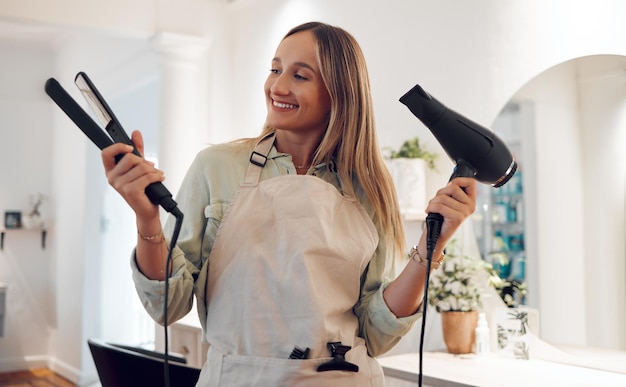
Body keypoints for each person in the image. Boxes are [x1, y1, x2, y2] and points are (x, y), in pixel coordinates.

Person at [101, 21, 476, 386]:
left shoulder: (368, 187)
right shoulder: (216, 167)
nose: (277, 86)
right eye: (275, 69)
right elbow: (169, 306)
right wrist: (146, 219)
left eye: (300, 75)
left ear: (340, 92)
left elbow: (376, 334)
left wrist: (434, 244)